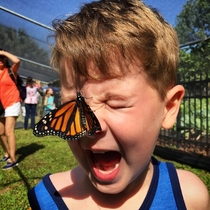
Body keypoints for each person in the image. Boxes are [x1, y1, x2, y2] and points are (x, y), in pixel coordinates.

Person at [28, 1, 210, 209]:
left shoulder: (189, 197)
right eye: (72, 104)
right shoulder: (47, 198)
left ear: (168, 108)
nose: (90, 127)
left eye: (115, 103)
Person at [0, 49, 21, 170]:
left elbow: (17, 60)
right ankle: (7, 153)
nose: (0, 60)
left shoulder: (10, 71)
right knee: (0, 132)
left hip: (13, 102)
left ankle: (13, 160)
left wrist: (3, 53)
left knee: (8, 131)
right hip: (1, 105)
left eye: (2, 58)